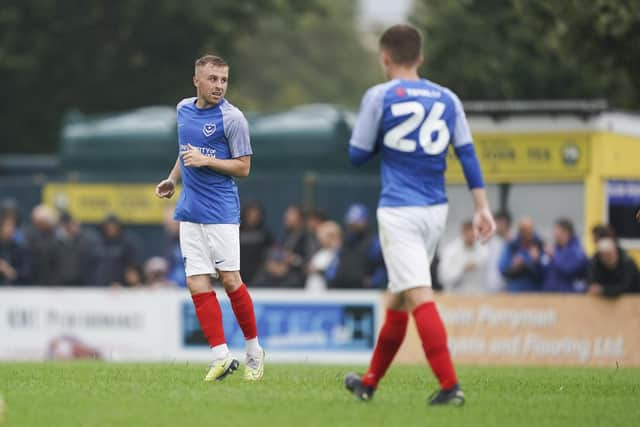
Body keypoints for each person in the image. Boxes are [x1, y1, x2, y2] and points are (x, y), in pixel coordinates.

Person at [343, 24, 495, 406]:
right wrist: (482, 207)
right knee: (397, 298)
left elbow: (357, 154)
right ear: (421, 57)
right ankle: (369, 383)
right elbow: (467, 153)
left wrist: (384, 138)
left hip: (399, 211)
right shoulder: (447, 98)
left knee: (418, 295)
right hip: (435, 211)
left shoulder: (380, 96)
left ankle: (450, 386)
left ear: (385, 58)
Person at [155, 54, 264, 382]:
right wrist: (173, 179)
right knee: (195, 281)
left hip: (220, 212)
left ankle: (254, 353)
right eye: (213, 79)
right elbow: (185, 150)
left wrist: (206, 161)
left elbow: (244, 167)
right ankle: (221, 356)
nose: (219, 86)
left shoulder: (233, 119)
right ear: (197, 81)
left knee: (230, 280)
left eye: (224, 80)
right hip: (190, 211)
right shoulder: (183, 109)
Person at [326, 204, 386, 289]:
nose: (353, 227)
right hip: (342, 290)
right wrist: (332, 277)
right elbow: (334, 266)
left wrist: (373, 281)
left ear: (365, 222)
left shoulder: (374, 243)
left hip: (365, 293)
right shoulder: (344, 243)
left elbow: (383, 268)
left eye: (357, 223)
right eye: (351, 224)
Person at [438, 220, 489, 294]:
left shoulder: (484, 251)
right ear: (464, 232)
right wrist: (462, 269)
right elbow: (442, 277)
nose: (472, 235)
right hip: (455, 296)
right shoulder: (450, 251)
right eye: (470, 232)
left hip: (477, 296)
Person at [499, 217, 545, 292]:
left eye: (530, 229)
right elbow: (503, 270)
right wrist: (515, 267)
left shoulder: (539, 245)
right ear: (520, 231)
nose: (528, 233)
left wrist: (536, 262)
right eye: (525, 230)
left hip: (536, 293)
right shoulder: (512, 246)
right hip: (515, 292)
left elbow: (547, 273)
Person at [94, 214, 141, 287]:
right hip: (99, 287)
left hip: (122, 288)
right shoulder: (97, 243)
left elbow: (132, 269)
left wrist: (123, 283)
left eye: (114, 226)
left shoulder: (127, 243)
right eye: (108, 226)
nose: (111, 228)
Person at [55, 212, 101, 286]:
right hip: (61, 283)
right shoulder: (56, 240)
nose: (69, 227)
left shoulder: (85, 239)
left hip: (81, 282)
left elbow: (89, 262)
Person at [542, 218, 588, 293]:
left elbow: (569, 270)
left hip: (569, 296)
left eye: (556, 231)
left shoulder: (577, 251)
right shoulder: (554, 249)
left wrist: (554, 256)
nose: (554, 234)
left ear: (566, 233)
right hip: (549, 295)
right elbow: (543, 271)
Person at [239, 201, 273, 283]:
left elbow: (271, 251)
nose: (254, 216)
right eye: (251, 214)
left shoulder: (265, 234)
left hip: (258, 274)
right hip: (239, 272)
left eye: (256, 214)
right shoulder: (237, 232)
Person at [306, 220, 342, 292]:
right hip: (313, 290)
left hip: (327, 293)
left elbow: (335, 273)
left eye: (326, 235)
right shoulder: (320, 253)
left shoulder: (338, 253)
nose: (321, 238)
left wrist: (320, 271)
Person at [484, 211, 512, 292]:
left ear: (507, 225)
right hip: (488, 288)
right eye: (497, 222)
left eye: (502, 223)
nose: (499, 226)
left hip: (506, 289)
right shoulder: (488, 241)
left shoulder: (512, 243)